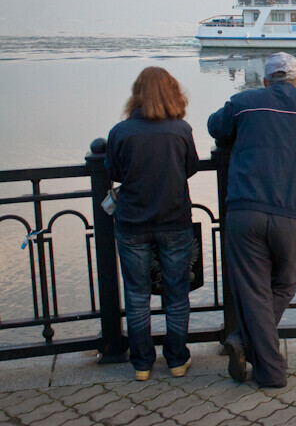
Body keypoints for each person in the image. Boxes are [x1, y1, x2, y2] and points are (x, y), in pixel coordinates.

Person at [208, 52, 296, 388]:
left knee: (253, 289)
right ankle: (268, 369)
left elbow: (215, 126)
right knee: (286, 283)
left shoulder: (244, 102)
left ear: (264, 80)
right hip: (292, 213)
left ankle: (244, 342)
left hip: (246, 212)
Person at [105, 67, 199, 381]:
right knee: (176, 293)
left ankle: (142, 363)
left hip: (132, 222)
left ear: (137, 95)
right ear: (172, 92)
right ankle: (176, 359)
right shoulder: (181, 130)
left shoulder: (121, 131)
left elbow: (113, 171)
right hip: (174, 220)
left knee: (136, 294)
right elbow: (191, 168)